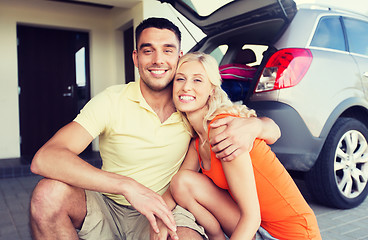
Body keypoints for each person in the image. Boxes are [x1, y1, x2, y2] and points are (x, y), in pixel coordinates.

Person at [29, 18, 281, 240]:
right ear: (136, 58)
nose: (158, 59)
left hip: (168, 207)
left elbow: (270, 130)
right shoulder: (111, 99)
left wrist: (256, 124)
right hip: (109, 204)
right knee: (47, 195)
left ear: (179, 57)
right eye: (148, 51)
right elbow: (45, 158)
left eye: (167, 50)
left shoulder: (190, 104)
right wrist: (127, 186)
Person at [170, 52, 322, 240]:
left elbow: (252, 217)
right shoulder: (197, 142)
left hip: (292, 233)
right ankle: (216, 235)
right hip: (254, 229)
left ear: (212, 89)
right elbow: (176, 190)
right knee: (182, 182)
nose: (186, 87)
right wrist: (157, 217)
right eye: (180, 79)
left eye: (197, 80)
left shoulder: (223, 130)